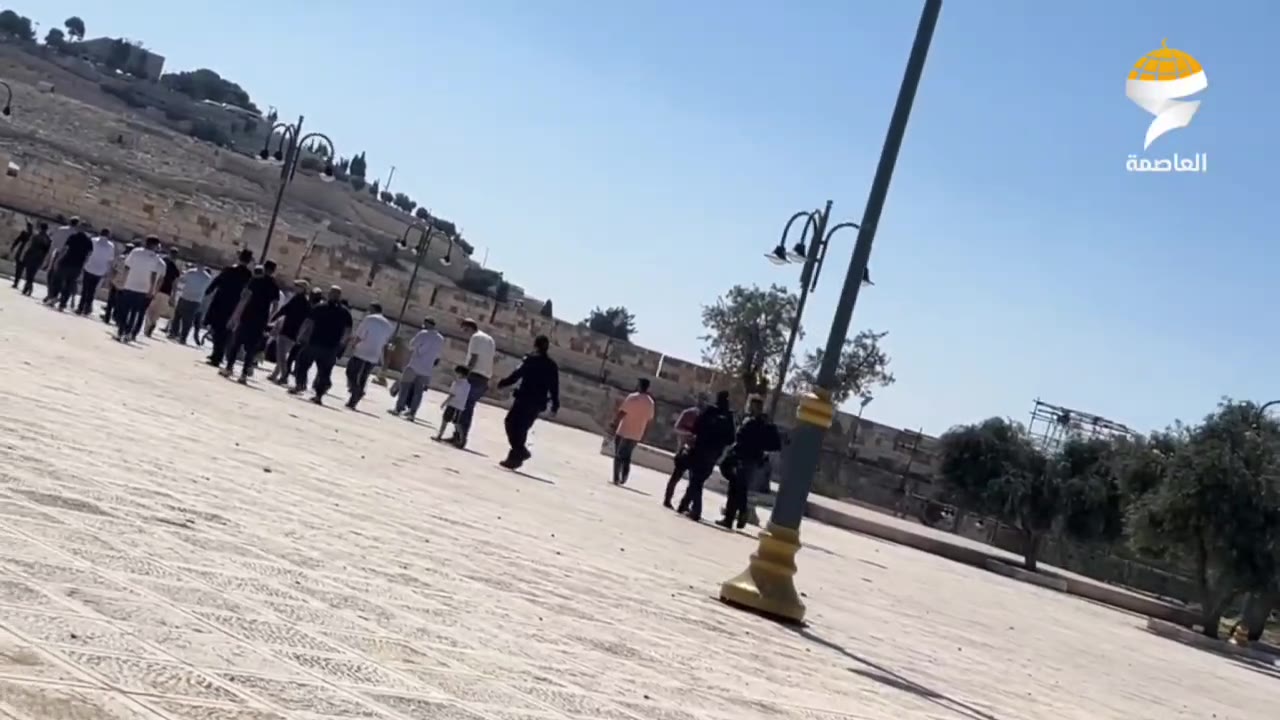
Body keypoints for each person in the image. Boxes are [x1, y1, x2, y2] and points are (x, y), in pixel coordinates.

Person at [715, 396, 782, 530]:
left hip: (748, 459)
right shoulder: (751, 420)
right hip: (743, 458)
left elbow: (749, 440)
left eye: (751, 405)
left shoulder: (759, 423)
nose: (749, 407)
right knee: (737, 487)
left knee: (739, 487)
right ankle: (732, 517)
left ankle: (740, 514)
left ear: (756, 407)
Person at [497, 335, 561, 470]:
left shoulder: (530, 360)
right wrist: (555, 405)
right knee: (522, 428)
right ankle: (515, 458)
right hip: (537, 403)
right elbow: (554, 387)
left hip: (524, 399)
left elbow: (517, 374)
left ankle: (520, 452)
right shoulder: (551, 365)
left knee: (510, 423)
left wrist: (503, 383)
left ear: (535, 345)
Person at [676, 390, 737, 521]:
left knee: (695, 480)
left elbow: (696, 427)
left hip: (700, 449)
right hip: (714, 453)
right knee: (698, 479)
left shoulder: (710, 411)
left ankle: (695, 510)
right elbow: (731, 438)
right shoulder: (729, 416)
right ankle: (684, 505)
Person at [290, 286, 353, 405]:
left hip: (315, 343)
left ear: (329, 294)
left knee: (302, 363)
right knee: (325, 371)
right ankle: (318, 395)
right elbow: (348, 331)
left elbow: (308, 322)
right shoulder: (345, 312)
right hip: (331, 347)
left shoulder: (320, 307)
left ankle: (300, 384)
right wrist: (342, 344)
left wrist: (300, 335)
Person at [222, 262, 280, 383]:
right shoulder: (274, 286)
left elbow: (244, 299)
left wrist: (235, 316)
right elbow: (275, 306)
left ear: (264, 268)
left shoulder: (255, 281)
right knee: (251, 348)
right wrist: (269, 319)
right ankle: (243, 375)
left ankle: (229, 368)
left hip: (247, 315)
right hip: (261, 320)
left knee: (237, 343)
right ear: (274, 271)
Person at [202, 249, 254, 366]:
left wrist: (208, 291)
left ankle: (217, 355)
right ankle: (218, 354)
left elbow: (217, 281)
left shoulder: (229, 270)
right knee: (226, 332)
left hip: (220, 303)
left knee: (217, 330)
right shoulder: (249, 276)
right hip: (235, 306)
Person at [450, 318, 496, 448]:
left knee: (462, 406)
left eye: (465, 330)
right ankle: (458, 436)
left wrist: (464, 374)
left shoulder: (475, 338)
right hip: (484, 377)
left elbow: (474, 358)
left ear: (469, 327)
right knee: (468, 407)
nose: (465, 333)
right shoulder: (489, 339)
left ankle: (460, 438)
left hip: (473, 375)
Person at [390, 317, 445, 420]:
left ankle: (398, 408)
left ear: (427, 324)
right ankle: (412, 413)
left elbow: (411, 345)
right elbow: (438, 355)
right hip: (427, 369)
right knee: (418, 392)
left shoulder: (423, 333)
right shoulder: (440, 338)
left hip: (414, 365)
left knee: (404, 388)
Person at [345, 302, 394, 410]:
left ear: (372, 309)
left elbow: (361, 334)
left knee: (351, 371)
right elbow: (386, 342)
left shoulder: (369, 319)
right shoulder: (388, 325)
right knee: (363, 377)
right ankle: (353, 401)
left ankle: (356, 391)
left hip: (362, 350)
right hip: (375, 354)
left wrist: (353, 344)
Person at [663, 393, 708, 508]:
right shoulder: (688, 413)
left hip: (698, 452)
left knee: (694, 481)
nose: (702, 402)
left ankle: (685, 504)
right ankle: (667, 499)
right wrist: (688, 434)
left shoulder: (707, 416)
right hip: (684, 449)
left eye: (704, 400)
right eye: (700, 399)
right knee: (676, 476)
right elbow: (677, 428)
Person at [114, 237, 163, 343]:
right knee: (134, 313)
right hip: (143, 288)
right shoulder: (154, 258)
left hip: (130, 285)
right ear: (155, 245)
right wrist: (151, 289)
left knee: (124, 310)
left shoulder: (135, 252)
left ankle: (121, 331)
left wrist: (123, 281)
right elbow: (153, 274)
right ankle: (127, 333)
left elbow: (127, 267)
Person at [609, 378, 656, 485]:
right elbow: (649, 420)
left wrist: (614, 423)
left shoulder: (632, 397)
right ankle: (624, 476)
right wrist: (645, 434)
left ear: (639, 385)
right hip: (637, 433)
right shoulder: (650, 402)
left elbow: (622, 412)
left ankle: (616, 478)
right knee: (627, 455)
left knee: (618, 455)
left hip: (623, 430)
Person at [266, 279, 312, 383]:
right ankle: (275, 374)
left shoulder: (297, 300)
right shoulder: (305, 302)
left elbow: (284, 310)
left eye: (297, 286)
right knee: (283, 354)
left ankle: (284, 375)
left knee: (280, 355)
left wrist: (272, 319)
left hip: (288, 330)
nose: (295, 287)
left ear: (302, 288)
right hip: (295, 333)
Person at [45, 222, 92, 311]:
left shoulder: (73, 237)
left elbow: (65, 249)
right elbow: (88, 255)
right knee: (69, 284)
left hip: (66, 262)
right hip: (77, 266)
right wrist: (83, 266)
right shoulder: (88, 241)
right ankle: (63, 304)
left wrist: (58, 260)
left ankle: (53, 297)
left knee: (57, 280)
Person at [143, 248, 182, 337]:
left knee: (150, 309)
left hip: (156, 289)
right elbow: (175, 283)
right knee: (157, 311)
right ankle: (152, 323)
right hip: (167, 292)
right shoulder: (175, 269)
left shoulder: (161, 262)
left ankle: (149, 325)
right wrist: (173, 296)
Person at [169, 264, 212, 343]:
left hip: (185, 297)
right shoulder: (208, 277)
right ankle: (183, 337)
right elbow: (208, 290)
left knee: (178, 316)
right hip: (196, 301)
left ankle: (173, 333)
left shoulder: (190, 272)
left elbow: (182, 280)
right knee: (188, 320)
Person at [77, 229, 116, 317]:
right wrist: (107, 272)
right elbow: (110, 260)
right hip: (100, 270)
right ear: (108, 235)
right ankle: (87, 308)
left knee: (85, 289)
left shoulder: (93, 240)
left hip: (89, 267)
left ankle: (80, 307)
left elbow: (87, 253)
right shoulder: (111, 246)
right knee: (92, 290)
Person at [42, 217, 80, 303]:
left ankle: (50, 295)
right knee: (62, 278)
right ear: (77, 224)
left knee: (51, 275)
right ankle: (56, 296)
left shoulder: (61, 229)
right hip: (68, 257)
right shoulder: (76, 234)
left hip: (57, 253)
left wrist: (48, 259)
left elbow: (53, 243)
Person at [435, 366, 472, 441]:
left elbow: (452, 394)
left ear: (460, 374)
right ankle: (462, 438)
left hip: (452, 405)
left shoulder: (456, 383)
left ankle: (439, 435)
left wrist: (444, 403)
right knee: (456, 423)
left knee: (445, 421)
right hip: (460, 406)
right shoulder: (468, 385)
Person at [13, 223, 50, 296]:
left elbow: (29, 246)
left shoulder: (35, 236)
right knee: (32, 274)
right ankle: (27, 288)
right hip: (39, 258)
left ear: (40, 228)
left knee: (28, 274)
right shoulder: (48, 239)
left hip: (31, 256)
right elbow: (47, 251)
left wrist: (24, 256)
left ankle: (27, 288)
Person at [100, 242, 132, 322]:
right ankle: (116, 317)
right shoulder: (132, 261)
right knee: (120, 302)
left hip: (116, 281)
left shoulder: (121, 258)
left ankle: (107, 317)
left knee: (111, 300)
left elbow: (114, 269)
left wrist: (110, 279)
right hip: (125, 283)